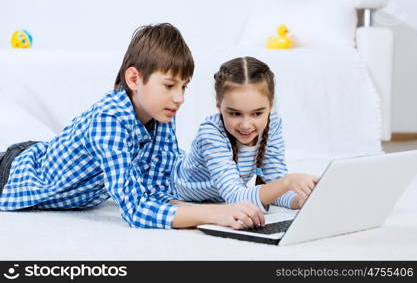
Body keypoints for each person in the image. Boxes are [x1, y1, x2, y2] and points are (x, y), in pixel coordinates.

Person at [0, 24, 265, 230]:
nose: (180, 98)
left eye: (183, 87)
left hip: (41, 154)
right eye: (169, 85)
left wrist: (234, 202)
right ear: (134, 79)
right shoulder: (109, 121)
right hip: (15, 173)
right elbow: (136, 209)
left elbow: (160, 187)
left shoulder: (160, 115)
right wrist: (214, 214)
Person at [171, 56, 318, 212]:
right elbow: (236, 197)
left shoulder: (272, 123)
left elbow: (274, 183)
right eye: (235, 114)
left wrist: (297, 200)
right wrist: (287, 182)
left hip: (220, 195)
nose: (246, 125)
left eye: (257, 113)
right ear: (219, 105)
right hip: (177, 188)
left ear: (270, 105)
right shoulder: (211, 133)